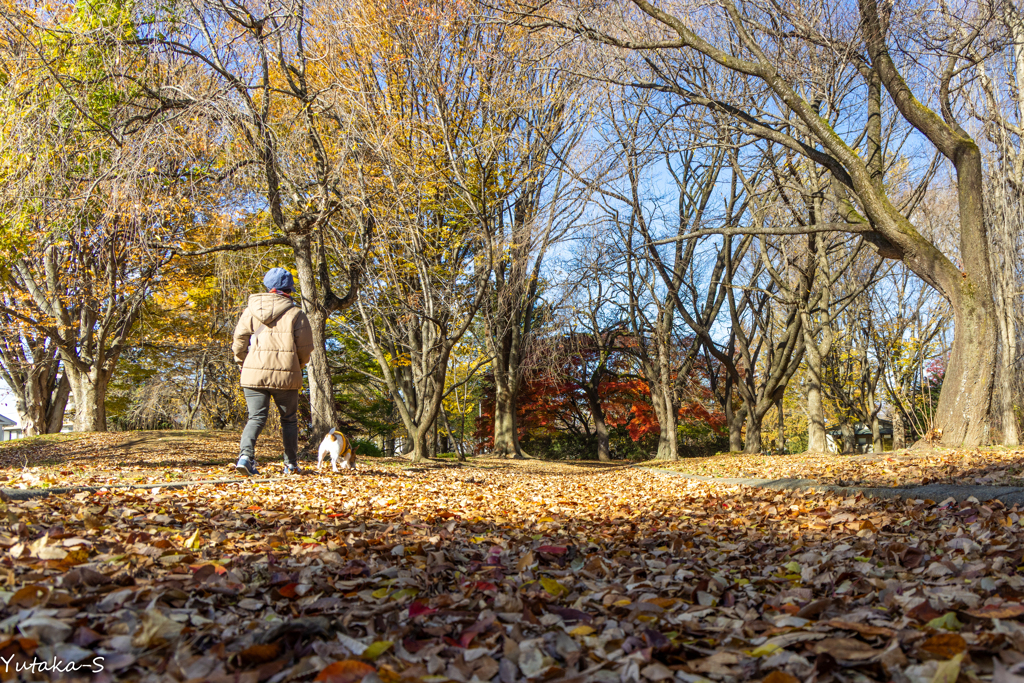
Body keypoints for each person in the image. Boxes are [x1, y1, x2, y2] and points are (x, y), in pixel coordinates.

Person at [232, 267, 314, 476]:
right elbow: (305, 348)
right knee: (289, 419)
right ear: (289, 289)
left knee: (256, 418)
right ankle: (291, 464)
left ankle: (245, 457)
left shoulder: (250, 311)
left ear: (269, 287)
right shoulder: (297, 313)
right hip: (286, 375)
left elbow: (239, 341)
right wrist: (298, 366)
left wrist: (242, 362)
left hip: (253, 374)